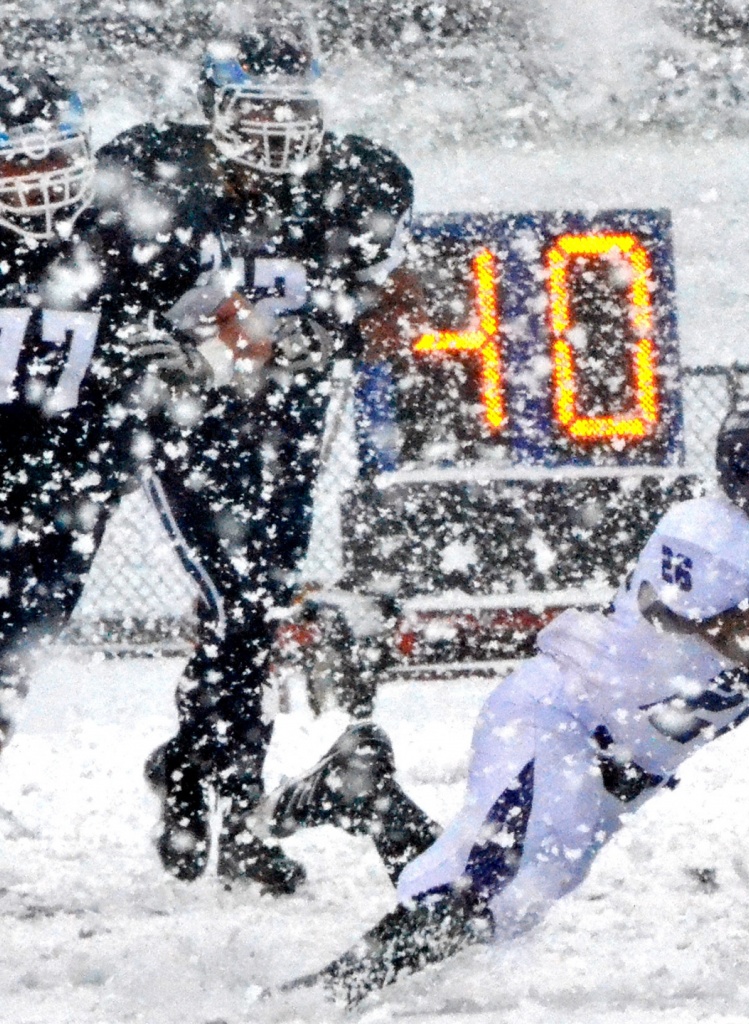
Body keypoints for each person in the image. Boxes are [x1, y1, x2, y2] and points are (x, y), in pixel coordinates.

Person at [248, 383, 749, 1005]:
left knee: (492, 899)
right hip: (564, 722)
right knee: (485, 897)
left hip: (627, 764)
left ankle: (364, 793)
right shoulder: (712, 545)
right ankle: (312, 1001)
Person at [95, 19, 421, 894]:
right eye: (259, 105)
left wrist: (335, 328)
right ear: (214, 108)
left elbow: (397, 300)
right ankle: (232, 804)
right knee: (237, 596)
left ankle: (189, 768)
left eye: (294, 105)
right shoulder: (163, 178)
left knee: (257, 605)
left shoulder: (356, 181)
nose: (279, 124)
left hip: (291, 428)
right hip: (192, 427)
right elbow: (106, 293)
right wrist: (175, 348)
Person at [0, 68, 202, 759]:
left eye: (54, 154)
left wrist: (194, 350)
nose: (39, 177)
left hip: (68, 492)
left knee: (8, 674)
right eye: (17, 160)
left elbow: (224, 313)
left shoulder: (127, 238)